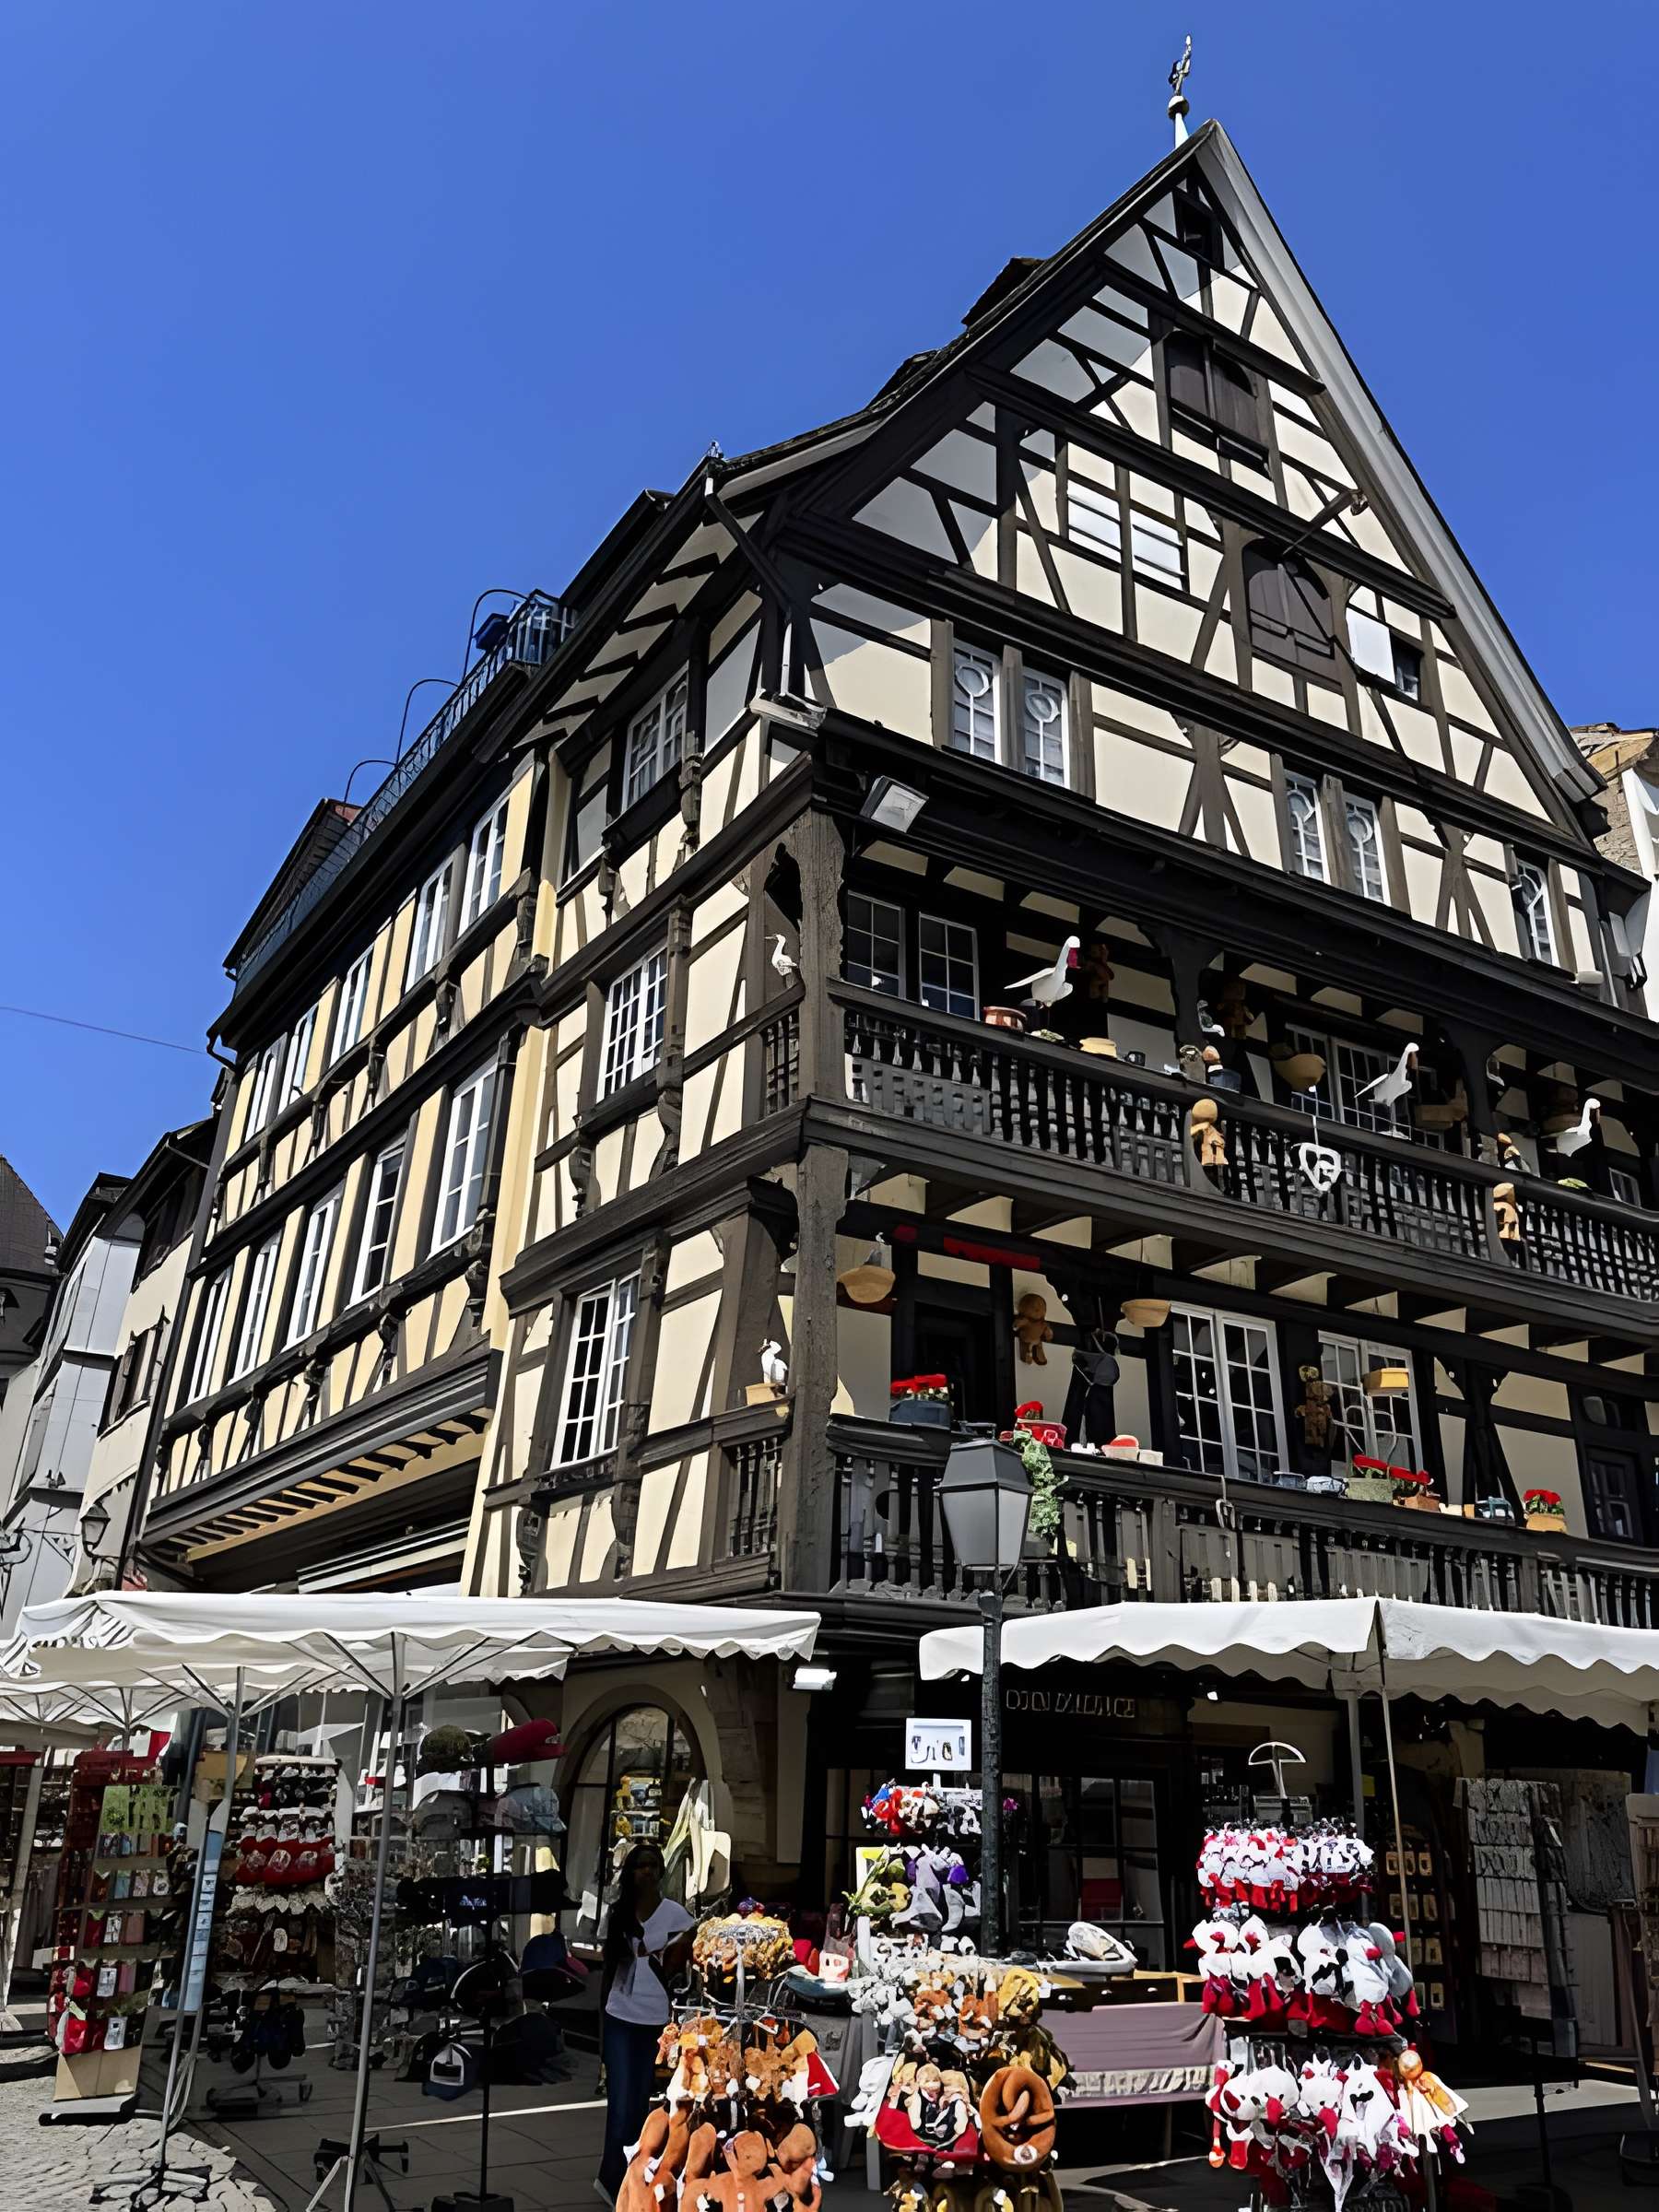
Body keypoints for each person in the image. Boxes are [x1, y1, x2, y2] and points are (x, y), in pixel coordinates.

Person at [596, 1841, 694, 2204]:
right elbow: (608, 1969)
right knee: (620, 2103)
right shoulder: (618, 1913)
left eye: (653, 1865)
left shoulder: (676, 1915)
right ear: (631, 1872)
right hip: (621, 2014)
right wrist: (600, 2029)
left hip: (657, 2017)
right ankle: (610, 2182)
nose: (648, 1871)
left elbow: (688, 1963)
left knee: (641, 2105)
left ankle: (636, 2183)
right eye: (641, 1865)